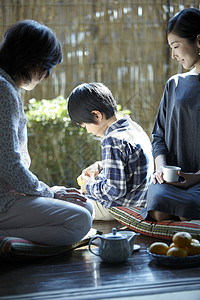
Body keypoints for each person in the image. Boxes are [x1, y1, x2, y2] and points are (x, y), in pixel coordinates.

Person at [0, 20, 93, 246]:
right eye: (46, 67)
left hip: (11, 193)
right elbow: (9, 165)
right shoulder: (4, 91)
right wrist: (50, 194)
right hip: (4, 200)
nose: (45, 75)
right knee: (80, 220)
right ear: (34, 63)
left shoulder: (6, 86)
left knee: (85, 205)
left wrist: (49, 192)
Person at [141, 8, 200, 222]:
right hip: (172, 181)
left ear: (199, 40)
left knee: (188, 209)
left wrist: (196, 177)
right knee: (158, 209)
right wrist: (161, 169)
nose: (174, 55)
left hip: (199, 181)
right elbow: (158, 137)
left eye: (176, 46)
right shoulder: (174, 84)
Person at [68, 82, 153, 220]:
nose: (88, 130)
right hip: (139, 202)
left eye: (85, 126)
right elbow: (130, 162)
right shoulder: (133, 127)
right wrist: (101, 165)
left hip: (116, 208)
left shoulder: (113, 140)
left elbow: (114, 190)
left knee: (62, 202)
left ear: (96, 115)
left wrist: (88, 186)